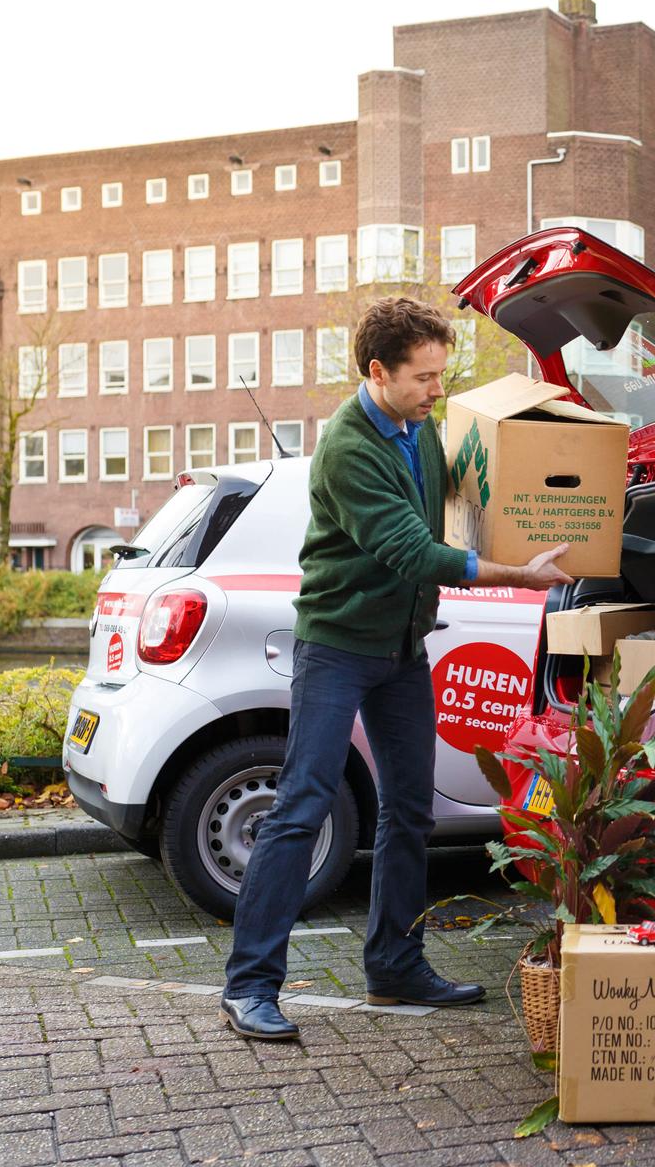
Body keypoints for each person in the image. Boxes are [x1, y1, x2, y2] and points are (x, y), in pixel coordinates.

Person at [220, 296, 573, 1041]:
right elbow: (414, 551)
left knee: (411, 807)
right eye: (424, 377)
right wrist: (519, 574)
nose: (437, 390)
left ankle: (395, 966)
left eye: (441, 376)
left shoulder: (419, 432)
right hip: (339, 649)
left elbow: (463, 494)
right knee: (302, 804)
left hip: (402, 651)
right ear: (377, 372)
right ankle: (249, 984)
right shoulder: (350, 448)